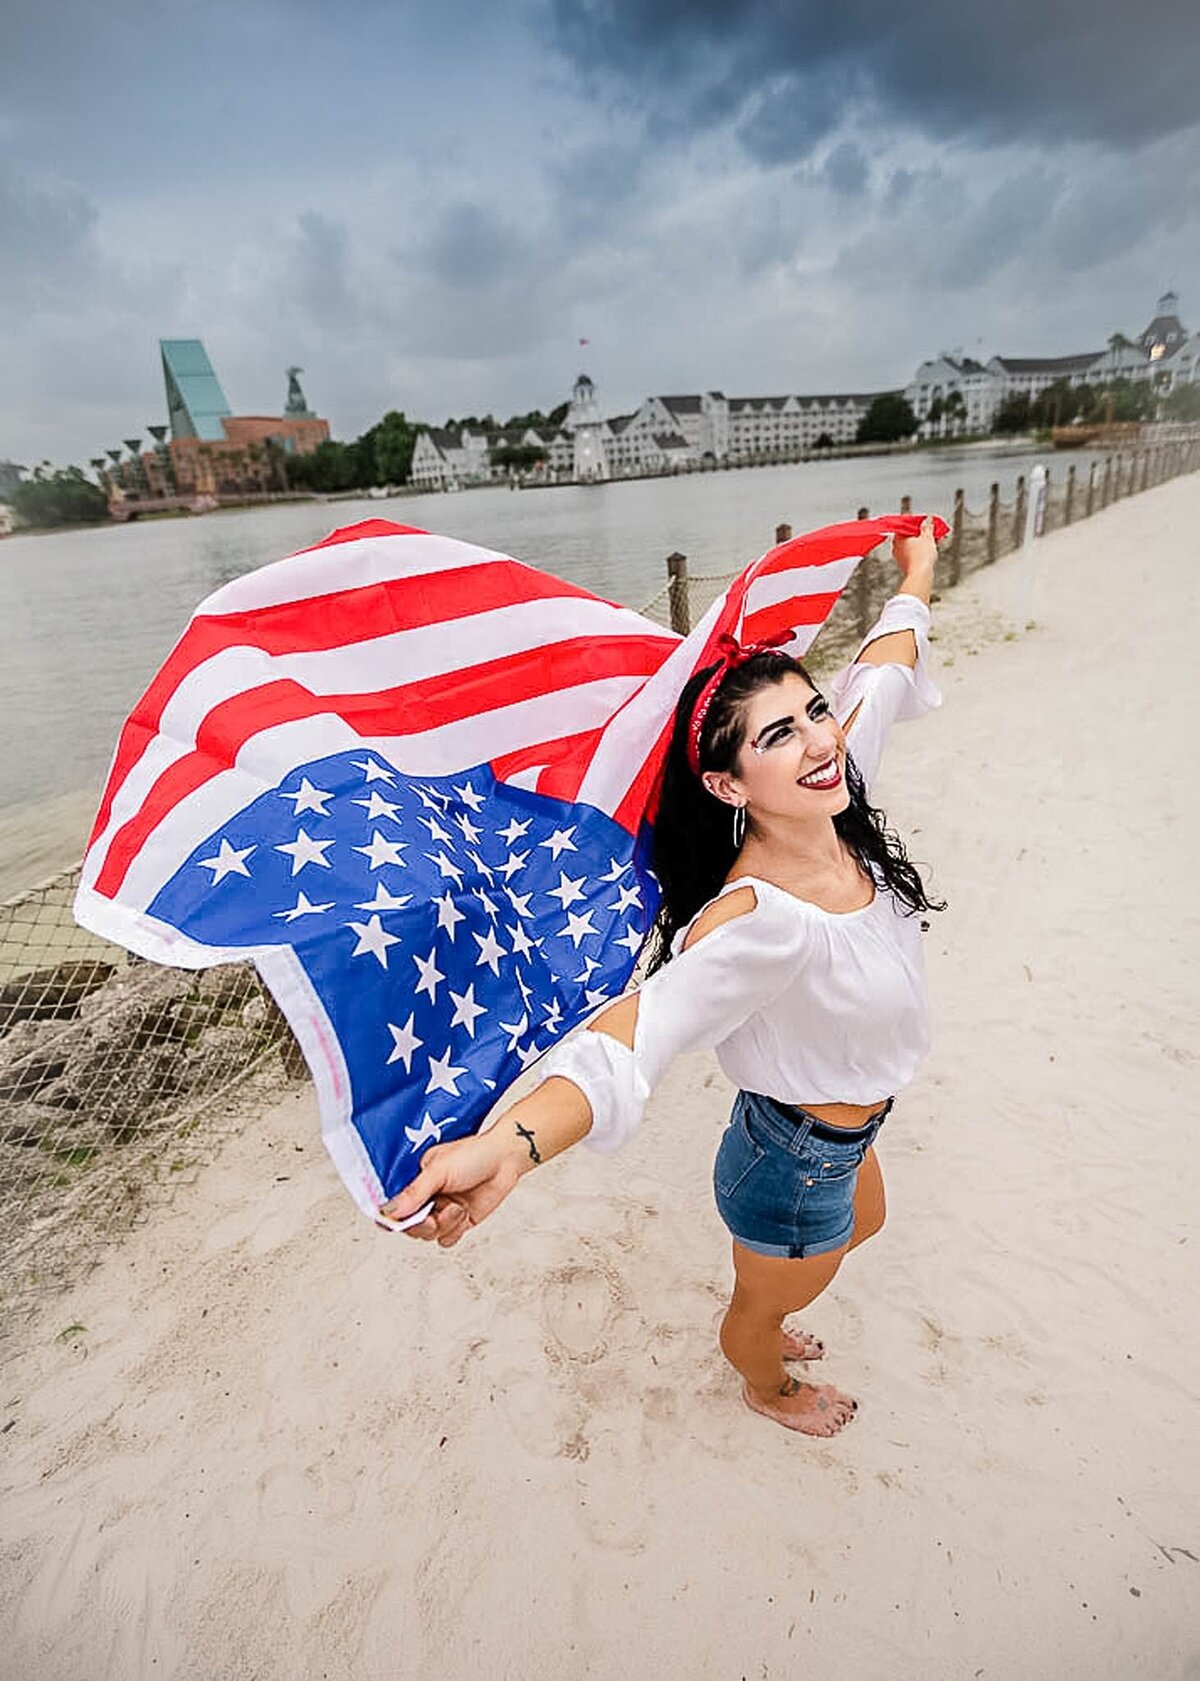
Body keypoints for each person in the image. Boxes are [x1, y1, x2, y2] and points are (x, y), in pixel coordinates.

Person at [382, 519, 944, 1437]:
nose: (817, 739)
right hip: (795, 1162)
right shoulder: (756, 921)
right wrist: (512, 1147)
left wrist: (915, 572)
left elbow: (881, 667)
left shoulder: (836, 794)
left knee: (857, 1232)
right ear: (728, 785)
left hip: (842, 1128)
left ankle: (770, 1298)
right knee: (764, 1306)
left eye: (814, 712)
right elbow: (638, 1027)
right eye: (780, 735)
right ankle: (765, 1378)